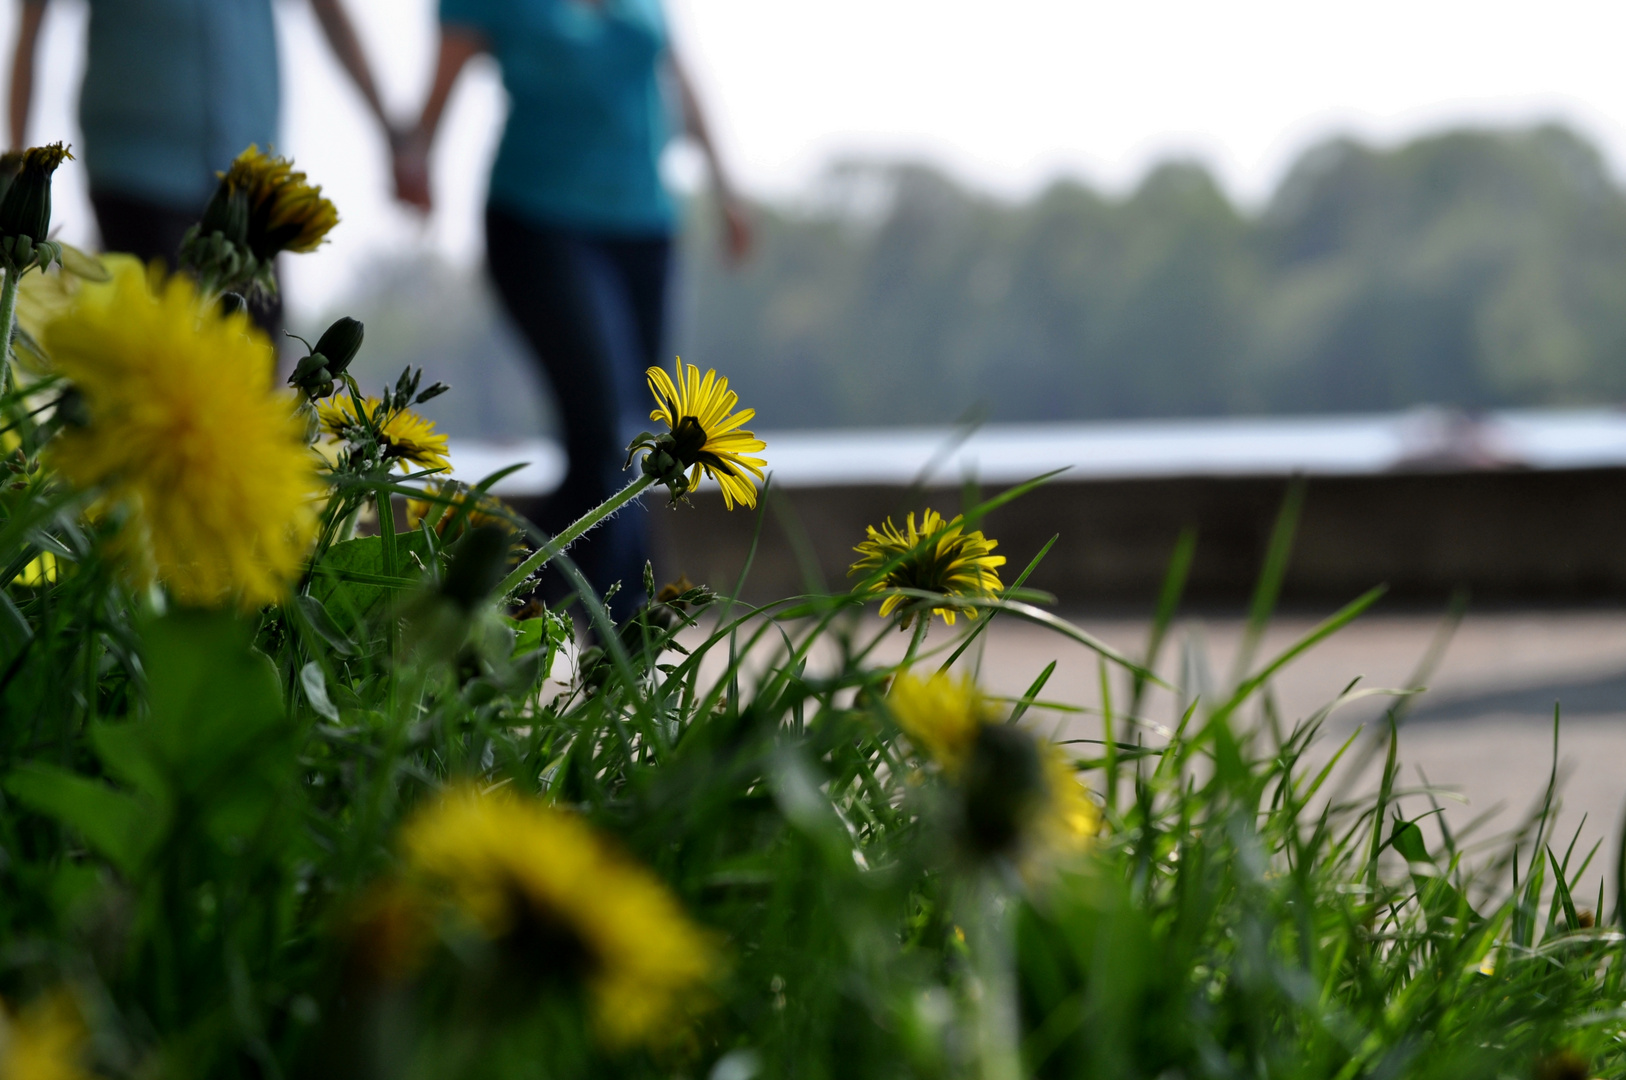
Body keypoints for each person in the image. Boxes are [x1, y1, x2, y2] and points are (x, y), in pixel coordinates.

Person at [392, 0, 751, 620]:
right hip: (538, 225)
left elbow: (677, 73)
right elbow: (439, 90)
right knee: (602, 438)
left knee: (632, 444)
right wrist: (416, 157)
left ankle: (610, 637)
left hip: (646, 228)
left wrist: (727, 187)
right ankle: (486, 617)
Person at [8, 0, 393, 280]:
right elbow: (31, 20)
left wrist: (393, 135)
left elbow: (330, 11)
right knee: (142, 359)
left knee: (251, 362)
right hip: (134, 169)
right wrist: (19, 183)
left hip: (250, 183)